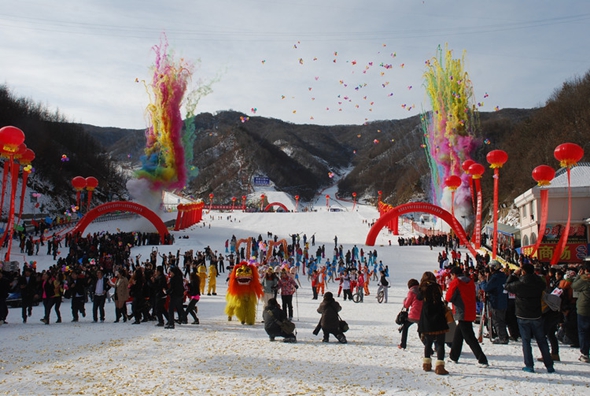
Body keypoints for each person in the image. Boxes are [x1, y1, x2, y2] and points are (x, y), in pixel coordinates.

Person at [504, 263, 555, 373]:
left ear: (523, 272)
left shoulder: (519, 284)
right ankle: (549, 365)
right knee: (542, 340)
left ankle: (529, 365)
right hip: (536, 314)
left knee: (526, 342)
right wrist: (532, 275)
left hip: (522, 315)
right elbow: (543, 284)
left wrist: (513, 274)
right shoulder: (538, 282)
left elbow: (507, 286)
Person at [446, 267, 489, 367]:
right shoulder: (470, 281)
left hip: (461, 311)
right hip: (470, 310)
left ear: (454, 275)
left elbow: (449, 297)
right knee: (459, 334)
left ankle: (482, 359)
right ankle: (453, 356)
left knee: (469, 337)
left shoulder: (456, 282)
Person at [417, 271, 449, 375]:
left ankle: (426, 364)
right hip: (438, 315)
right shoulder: (437, 287)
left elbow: (418, 298)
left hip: (427, 317)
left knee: (428, 342)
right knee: (440, 343)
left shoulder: (422, 288)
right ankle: (440, 366)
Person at [480, 260, 509, 344]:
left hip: (496, 301)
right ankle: (501, 334)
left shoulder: (496, 277)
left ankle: (502, 337)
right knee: (500, 320)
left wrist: (483, 281)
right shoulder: (502, 276)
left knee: (498, 320)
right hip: (502, 301)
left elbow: (486, 287)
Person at [572, 263, 590, 363]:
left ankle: (585, 353)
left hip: (584, 308)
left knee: (583, 331)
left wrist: (578, 275)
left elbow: (574, 286)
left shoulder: (585, 279)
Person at [398, 278, 422, 350]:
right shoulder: (422, 291)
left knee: (405, 327)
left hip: (413, 315)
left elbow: (406, 305)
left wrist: (404, 301)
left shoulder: (411, 292)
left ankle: (403, 344)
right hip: (422, 315)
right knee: (421, 331)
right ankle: (429, 349)